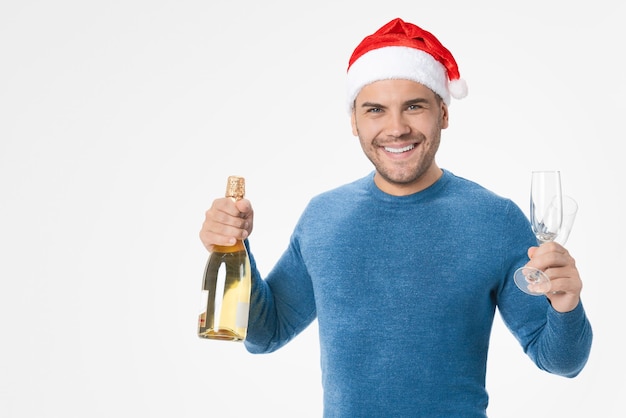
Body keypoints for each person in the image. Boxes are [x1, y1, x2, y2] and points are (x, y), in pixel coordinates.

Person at [199, 18, 593, 417]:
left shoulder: (494, 220)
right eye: (375, 110)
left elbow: (561, 361)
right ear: (354, 121)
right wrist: (234, 247)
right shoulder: (323, 218)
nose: (397, 128)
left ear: (442, 112)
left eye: (414, 106)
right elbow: (265, 334)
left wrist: (565, 303)